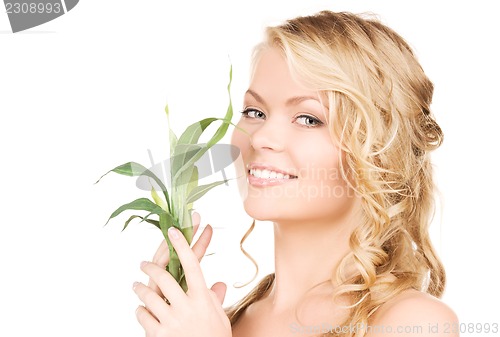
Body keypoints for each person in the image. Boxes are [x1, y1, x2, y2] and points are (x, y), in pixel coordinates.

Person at [131, 10, 458, 337]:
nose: (260, 138)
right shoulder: (221, 323)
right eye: (254, 112)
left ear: (380, 151)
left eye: (308, 119)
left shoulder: (413, 322)